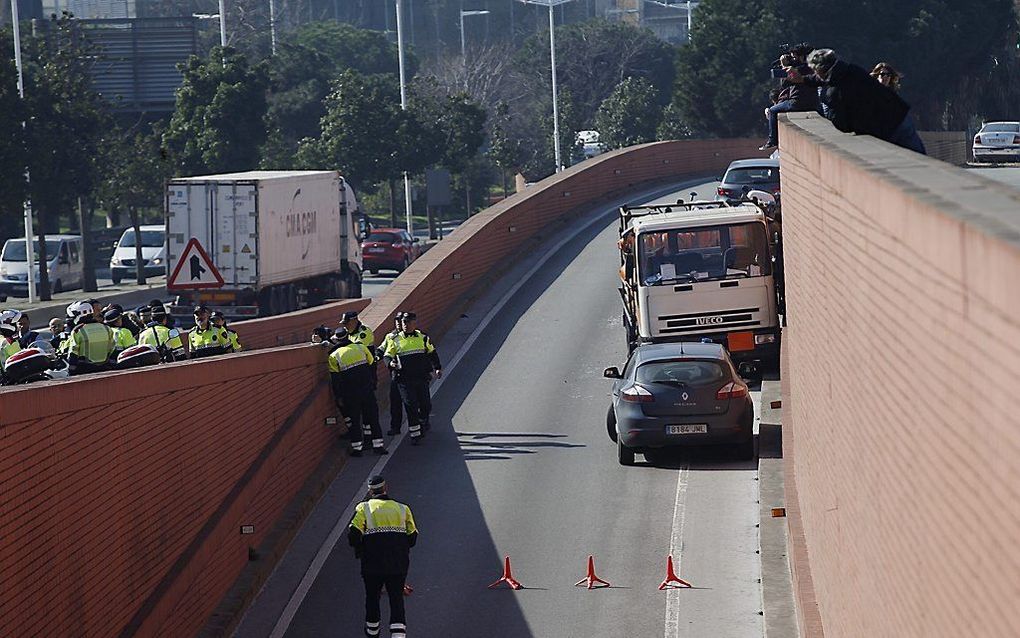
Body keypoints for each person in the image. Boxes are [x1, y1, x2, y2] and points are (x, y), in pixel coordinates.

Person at [807, 48, 926, 155]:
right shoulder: (853, 70)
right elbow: (830, 79)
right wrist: (805, 80)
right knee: (921, 160)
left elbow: (843, 125)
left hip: (883, 130)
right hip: (899, 117)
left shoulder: (833, 93)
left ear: (820, 70)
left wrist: (827, 103)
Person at [348, 475, 417, 638]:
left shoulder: (363, 508)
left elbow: (353, 535)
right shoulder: (403, 509)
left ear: (371, 491)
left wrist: (361, 547)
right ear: (386, 488)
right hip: (398, 564)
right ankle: (398, 636)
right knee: (396, 600)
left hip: (372, 565)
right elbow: (412, 538)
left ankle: (373, 633)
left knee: (372, 597)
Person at [383, 312, 441, 445]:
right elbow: (387, 356)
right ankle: (415, 435)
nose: (405, 325)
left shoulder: (422, 337)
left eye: (408, 322)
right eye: (404, 322)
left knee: (425, 404)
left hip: (421, 378)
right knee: (411, 406)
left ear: (415, 323)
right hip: (404, 380)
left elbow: (432, 352)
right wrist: (391, 364)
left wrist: (437, 367)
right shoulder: (395, 339)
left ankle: (423, 421)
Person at [329, 327, 387, 456]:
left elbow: (335, 380)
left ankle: (357, 449)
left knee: (354, 421)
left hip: (350, 394)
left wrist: (339, 396)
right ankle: (378, 446)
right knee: (373, 418)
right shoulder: (361, 348)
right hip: (367, 390)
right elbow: (372, 365)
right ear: (348, 337)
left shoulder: (334, 356)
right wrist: (373, 382)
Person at [760, 53, 819, 150]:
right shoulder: (812, 68)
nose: (793, 59)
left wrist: (784, 66)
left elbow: (785, 83)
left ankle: (772, 141)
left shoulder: (797, 70)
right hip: (814, 104)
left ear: (801, 56)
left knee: (772, 110)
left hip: (796, 103)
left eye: (794, 57)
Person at [65, 300, 116, 375]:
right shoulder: (107, 328)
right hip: (105, 368)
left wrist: (71, 371)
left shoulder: (78, 331)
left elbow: (73, 353)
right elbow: (112, 349)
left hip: (85, 370)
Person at [377, 312, 406, 436]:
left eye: (401, 321)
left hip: (413, 374)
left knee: (414, 403)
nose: (399, 324)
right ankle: (395, 427)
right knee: (395, 403)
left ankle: (421, 424)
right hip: (396, 375)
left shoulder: (414, 335)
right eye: (397, 321)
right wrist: (378, 356)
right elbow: (382, 349)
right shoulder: (390, 336)